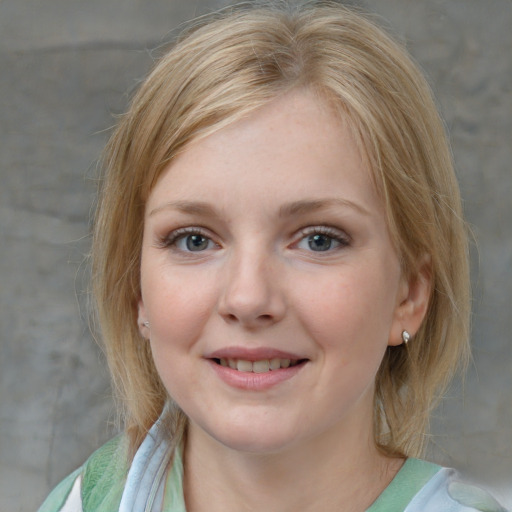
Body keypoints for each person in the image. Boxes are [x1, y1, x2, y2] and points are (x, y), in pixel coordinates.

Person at [38, 1, 508, 511]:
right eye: (194, 240)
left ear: (409, 296)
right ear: (138, 290)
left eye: (319, 240)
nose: (248, 297)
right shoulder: (85, 502)